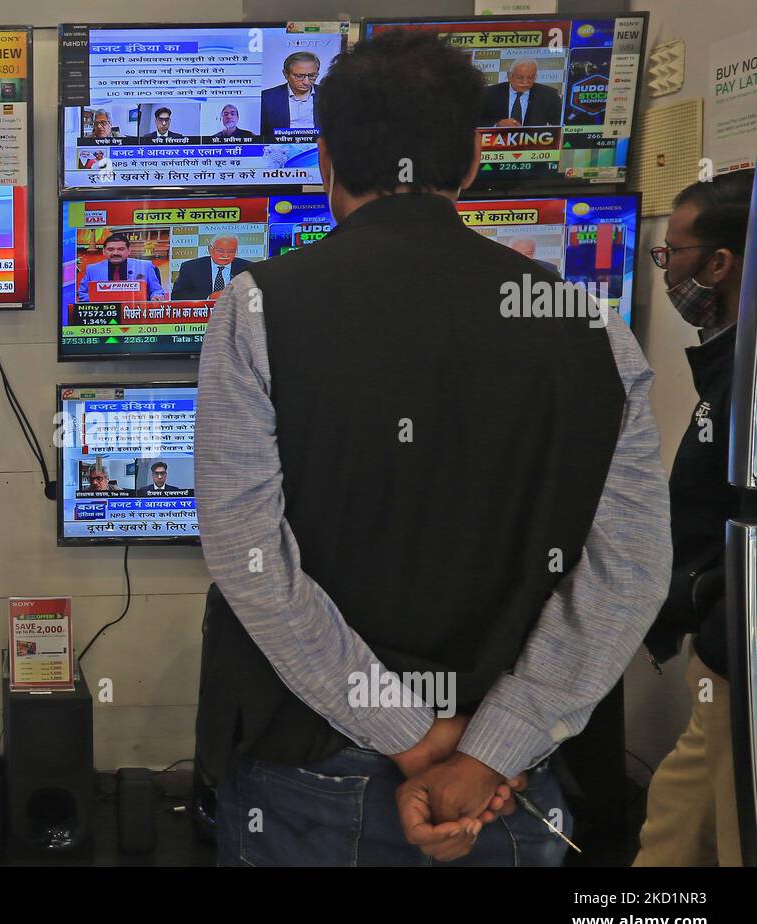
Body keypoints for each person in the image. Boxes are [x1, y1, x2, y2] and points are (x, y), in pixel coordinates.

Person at [194, 29, 670, 866]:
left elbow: (249, 557)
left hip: (311, 771)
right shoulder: (591, 330)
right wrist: (491, 747)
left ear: (325, 159)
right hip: (503, 785)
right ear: (475, 158)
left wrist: (408, 733)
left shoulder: (258, 308)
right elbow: (627, 571)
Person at [635, 169, 755, 868]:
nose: (666, 269)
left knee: (722, 828)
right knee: (680, 821)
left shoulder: (747, 372)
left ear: (719, 263)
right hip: (723, 653)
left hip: (738, 649)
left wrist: (709, 600)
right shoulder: (729, 363)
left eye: (671, 253)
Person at [76, 233, 166, 302]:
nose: (115, 253)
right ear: (104, 252)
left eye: (120, 249)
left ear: (129, 251)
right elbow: (82, 294)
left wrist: (156, 297)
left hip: (136, 313)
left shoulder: (145, 266)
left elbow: (157, 291)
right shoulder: (92, 269)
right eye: (110, 249)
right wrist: (103, 299)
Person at [479, 59, 562, 128]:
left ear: (535, 77)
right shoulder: (489, 93)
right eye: (520, 77)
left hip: (533, 144)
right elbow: (475, 122)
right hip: (496, 143)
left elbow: (560, 124)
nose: (525, 82)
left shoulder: (549, 95)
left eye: (530, 78)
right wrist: (496, 125)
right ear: (509, 76)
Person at [169, 236, 251, 301]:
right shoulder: (191, 267)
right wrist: (209, 298)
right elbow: (177, 296)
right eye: (220, 251)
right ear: (210, 249)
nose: (226, 255)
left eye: (231, 251)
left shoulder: (247, 268)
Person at [261, 52, 323, 136]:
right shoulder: (267, 98)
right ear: (286, 74)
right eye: (299, 76)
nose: (306, 82)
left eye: (312, 75)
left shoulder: (329, 96)